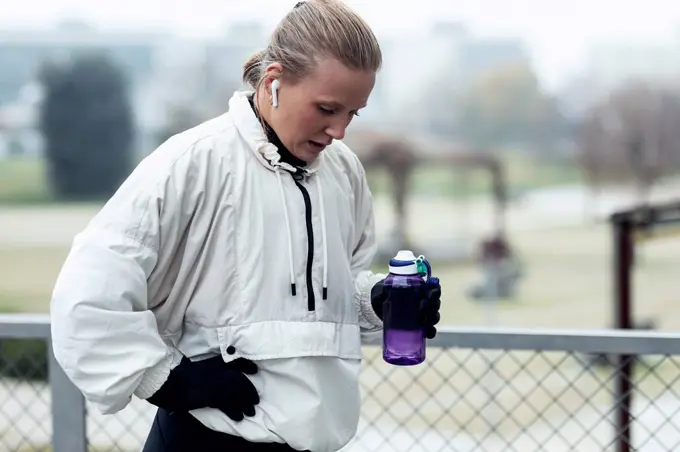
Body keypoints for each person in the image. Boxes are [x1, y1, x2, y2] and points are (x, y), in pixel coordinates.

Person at [49, 1, 442, 451]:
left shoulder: (344, 172)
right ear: (273, 81)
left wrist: (378, 302)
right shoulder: (193, 162)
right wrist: (167, 381)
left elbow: (330, 292)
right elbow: (85, 296)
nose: (339, 131)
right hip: (204, 442)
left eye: (353, 113)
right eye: (326, 108)